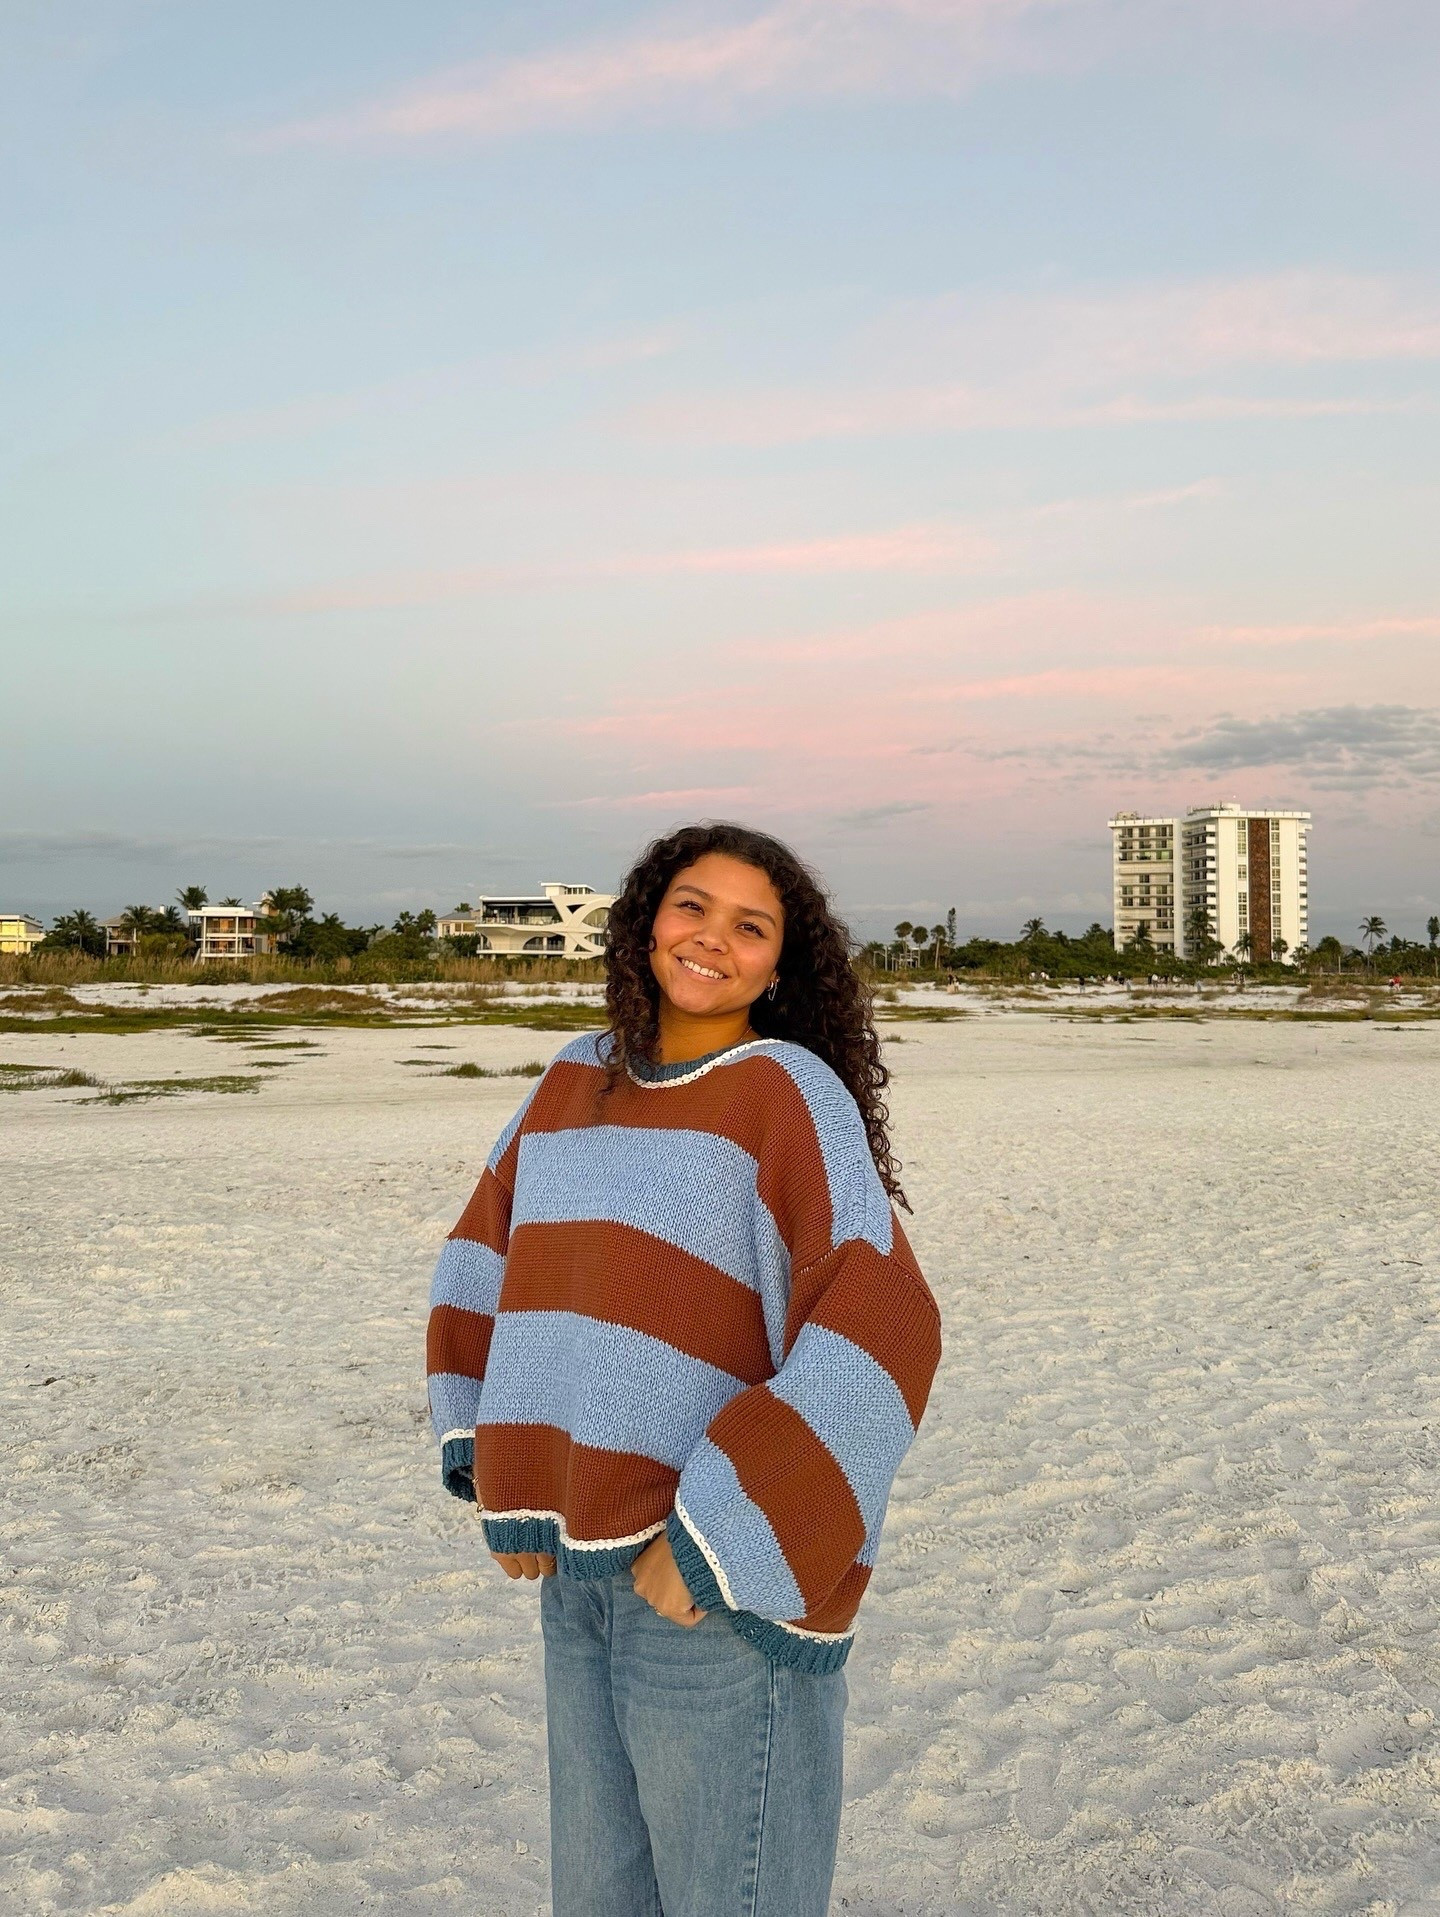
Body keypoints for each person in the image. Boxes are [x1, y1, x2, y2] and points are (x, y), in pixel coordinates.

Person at [425, 822, 942, 1917]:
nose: (713, 938)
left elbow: (885, 1319)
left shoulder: (784, 1093)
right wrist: (498, 1465)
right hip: (576, 1573)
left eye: (751, 927)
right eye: (691, 906)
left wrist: (725, 1534)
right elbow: (487, 1259)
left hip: (713, 1588)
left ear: (779, 965)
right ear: (645, 919)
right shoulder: (573, 1078)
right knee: (601, 1895)